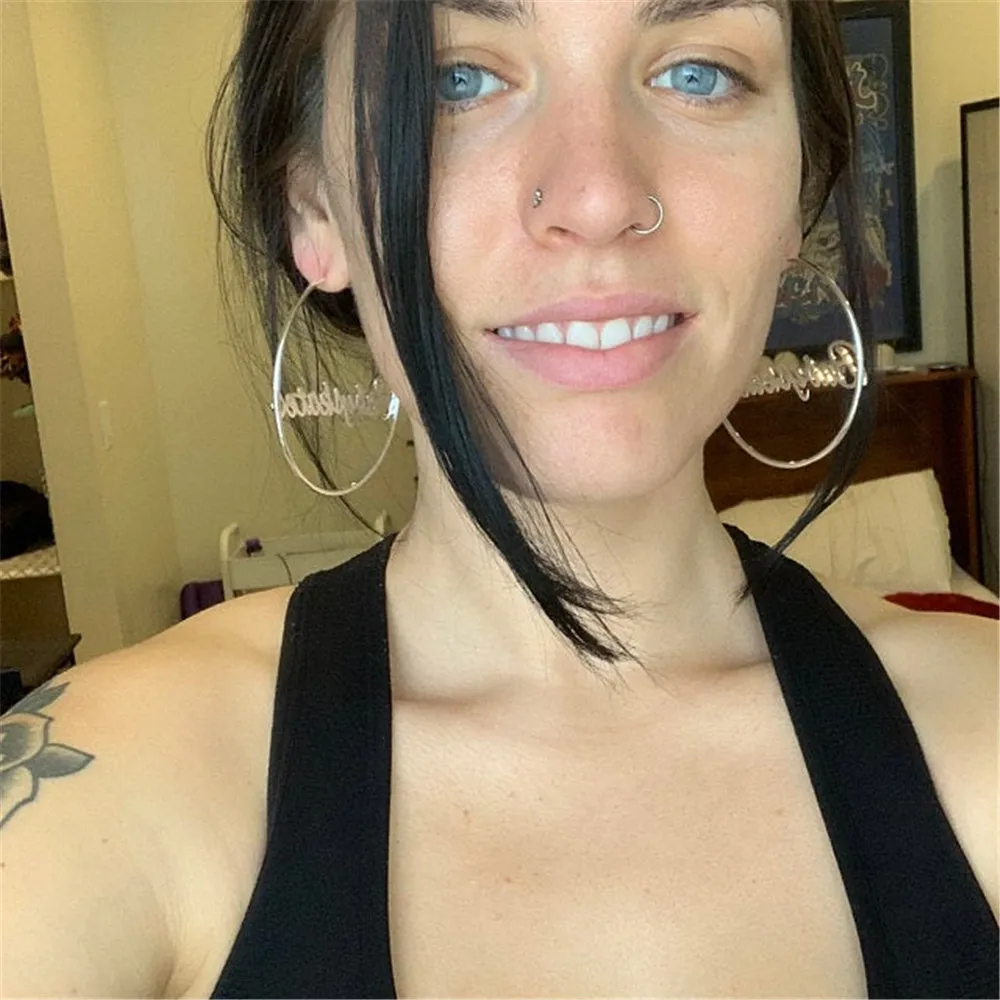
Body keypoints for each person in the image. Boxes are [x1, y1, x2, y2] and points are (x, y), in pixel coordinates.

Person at [1, 1, 996, 997]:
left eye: (697, 73)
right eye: (454, 81)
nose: (599, 197)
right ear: (314, 209)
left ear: (800, 191)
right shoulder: (116, 785)